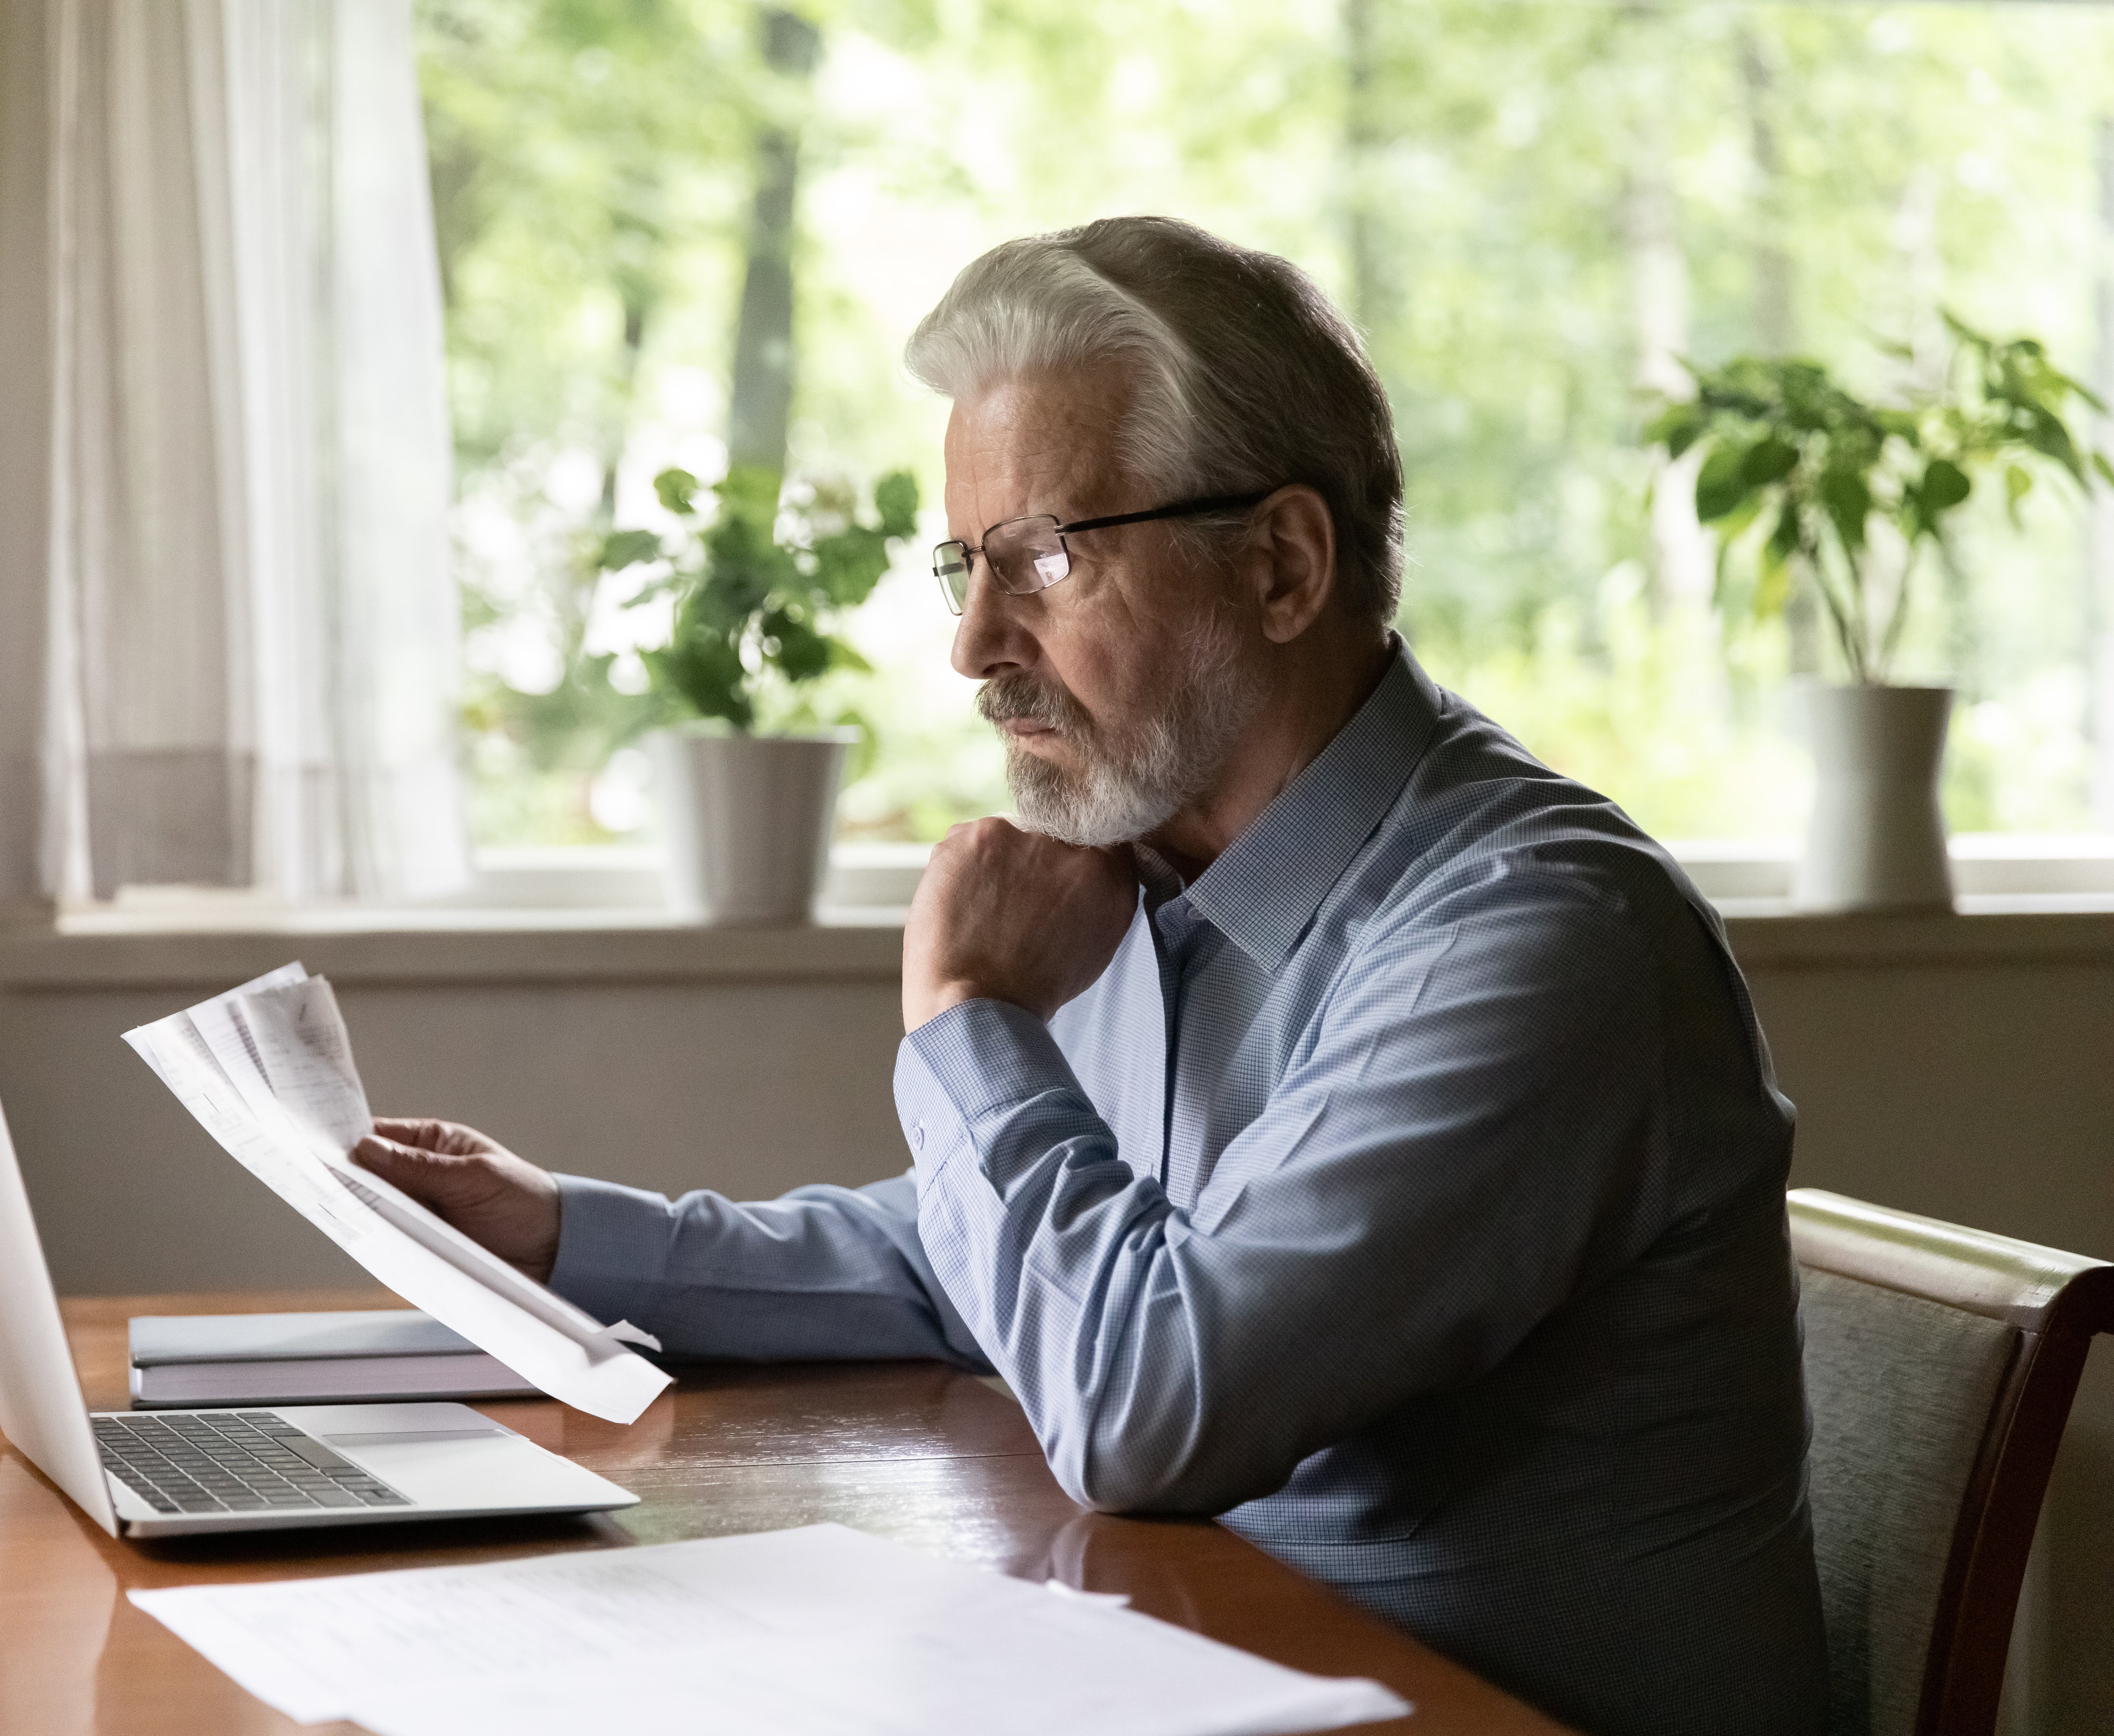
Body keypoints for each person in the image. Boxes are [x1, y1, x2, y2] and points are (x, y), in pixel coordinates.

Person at [354, 216, 1827, 1736]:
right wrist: (564, 1236)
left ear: (1281, 563)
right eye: (964, 565)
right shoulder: (1170, 857)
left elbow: (1146, 1407)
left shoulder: (1533, 936)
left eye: (1045, 558)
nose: (975, 644)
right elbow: (986, 1261)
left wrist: (971, 1018)